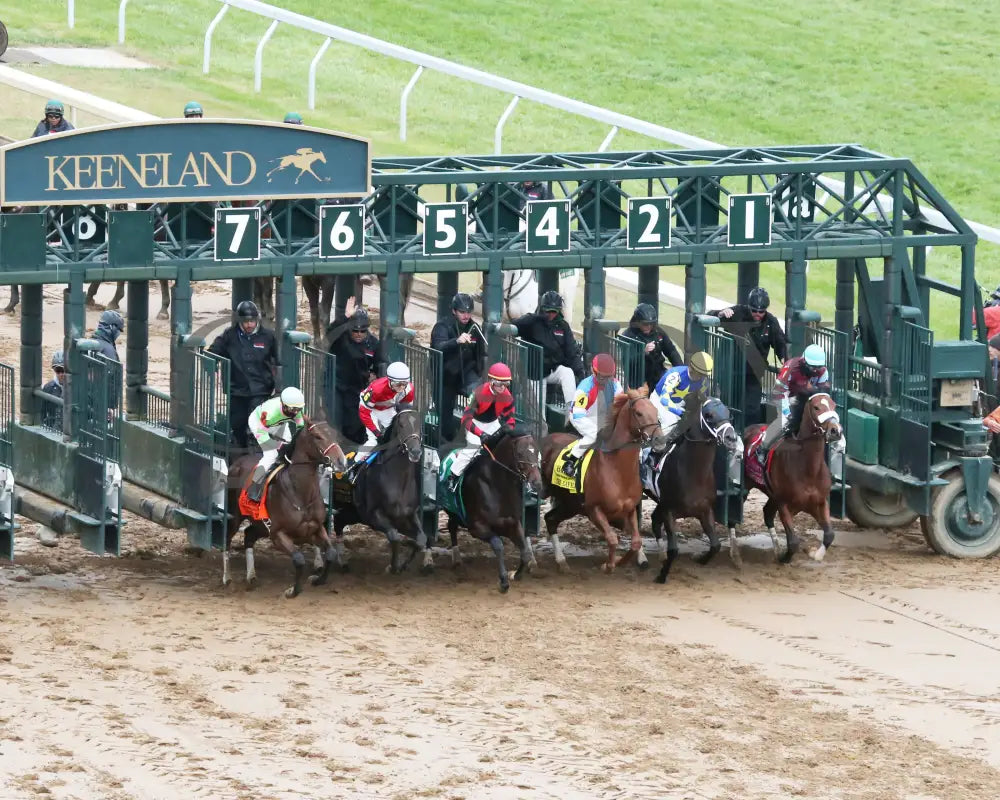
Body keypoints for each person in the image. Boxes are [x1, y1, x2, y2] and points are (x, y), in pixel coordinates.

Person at [711, 287, 788, 427]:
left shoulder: (771, 322)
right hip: (731, 373)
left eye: (761, 311)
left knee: (752, 411)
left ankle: (746, 441)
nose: (758, 314)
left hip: (754, 375)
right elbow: (710, 316)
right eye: (754, 310)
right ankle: (729, 438)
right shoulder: (737, 313)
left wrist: (784, 358)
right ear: (749, 307)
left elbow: (780, 343)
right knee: (729, 408)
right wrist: (720, 313)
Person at [208, 301, 279, 451]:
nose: (249, 325)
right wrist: (211, 367)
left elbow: (279, 361)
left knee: (254, 426)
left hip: (260, 390)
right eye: (246, 321)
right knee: (237, 426)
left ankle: (256, 455)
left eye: (252, 321)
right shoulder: (229, 336)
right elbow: (213, 352)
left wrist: (278, 386)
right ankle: (241, 452)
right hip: (237, 390)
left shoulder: (268, 336)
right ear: (240, 321)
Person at [445, 363, 516, 492]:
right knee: (473, 448)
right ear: (491, 381)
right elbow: (465, 419)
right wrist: (480, 433)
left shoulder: (508, 397)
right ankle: (453, 476)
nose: (502, 387)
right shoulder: (478, 393)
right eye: (499, 383)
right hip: (474, 424)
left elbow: (510, 420)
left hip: (494, 424)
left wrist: (507, 429)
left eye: (505, 384)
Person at [513, 290, 583, 419]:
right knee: (540, 418)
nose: (551, 314)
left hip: (552, 370)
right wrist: (536, 317)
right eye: (548, 310)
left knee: (567, 372)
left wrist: (580, 372)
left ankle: (572, 415)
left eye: (554, 311)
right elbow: (515, 324)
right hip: (534, 374)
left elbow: (571, 351)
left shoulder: (563, 326)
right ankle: (541, 432)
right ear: (542, 308)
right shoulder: (532, 322)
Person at [757, 344, 831, 461]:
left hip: (807, 399)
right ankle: (762, 446)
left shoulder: (823, 371)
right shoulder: (791, 367)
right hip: (786, 396)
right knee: (785, 420)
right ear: (804, 362)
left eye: (819, 367)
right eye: (813, 367)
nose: (816, 370)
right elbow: (779, 392)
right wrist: (787, 411)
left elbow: (821, 394)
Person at [326, 299, 384, 444]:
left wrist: (376, 377)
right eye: (355, 331)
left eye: (362, 331)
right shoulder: (341, 338)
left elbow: (381, 364)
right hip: (337, 386)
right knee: (335, 420)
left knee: (354, 425)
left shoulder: (374, 344)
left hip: (357, 389)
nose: (358, 334)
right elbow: (330, 333)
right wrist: (344, 317)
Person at [430, 293, 486, 442]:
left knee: (480, 397)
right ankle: (448, 445)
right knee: (445, 424)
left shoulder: (475, 327)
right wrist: (456, 341)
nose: (466, 316)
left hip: (467, 375)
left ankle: (477, 434)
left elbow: (481, 354)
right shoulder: (442, 326)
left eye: (468, 312)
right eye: (462, 312)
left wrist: (480, 372)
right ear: (454, 311)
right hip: (444, 377)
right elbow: (437, 347)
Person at [561, 354, 623, 478]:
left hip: (600, 417)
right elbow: (578, 412)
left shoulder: (616, 384)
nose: (605, 380)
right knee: (594, 434)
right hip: (581, 416)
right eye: (602, 376)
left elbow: (620, 406)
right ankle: (571, 460)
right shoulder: (585, 387)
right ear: (593, 371)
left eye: (609, 376)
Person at [245, 387, 306, 502]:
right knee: (271, 455)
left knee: (289, 445)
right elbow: (264, 430)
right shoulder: (271, 412)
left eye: (299, 409)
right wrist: (277, 445)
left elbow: (301, 429)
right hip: (260, 424)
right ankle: (254, 485)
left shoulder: (294, 410)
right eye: (294, 409)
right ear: (284, 405)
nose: (296, 412)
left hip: (278, 423)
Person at [650, 351, 714, 453]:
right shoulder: (675, 375)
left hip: (681, 405)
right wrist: (680, 413)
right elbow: (664, 399)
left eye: (704, 374)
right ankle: (653, 452)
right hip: (660, 401)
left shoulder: (704, 382)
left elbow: (702, 401)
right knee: (671, 422)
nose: (703, 376)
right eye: (701, 373)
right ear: (692, 368)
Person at [354, 361, 415, 466]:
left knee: (397, 435)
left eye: (404, 384)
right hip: (370, 411)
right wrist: (377, 433)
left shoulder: (409, 390)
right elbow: (364, 413)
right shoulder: (376, 389)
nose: (400, 388)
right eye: (397, 384)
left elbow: (406, 412)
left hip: (386, 409)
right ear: (389, 381)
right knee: (374, 441)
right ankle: (355, 464)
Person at [623, 302, 683, 393]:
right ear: (637, 322)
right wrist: (643, 352)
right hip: (638, 378)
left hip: (658, 373)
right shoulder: (628, 336)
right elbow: (628, 362)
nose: (648, 327)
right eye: (645, 324)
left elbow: (671, 351)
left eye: (651, 324)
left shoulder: (658, 332)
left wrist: (681, 370)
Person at [40, 351, 66, 430]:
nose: (61, 374)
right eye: (58, 370)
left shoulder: (76, 388)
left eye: (63, 370)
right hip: (52, 428)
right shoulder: (48, 388)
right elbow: (42, 412)